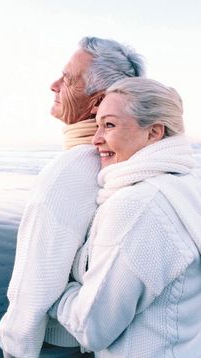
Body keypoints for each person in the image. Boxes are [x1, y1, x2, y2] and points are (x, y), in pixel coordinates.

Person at [0, 37, 145, 358]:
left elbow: (31, 291)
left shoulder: (72, 170)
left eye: (67, 79)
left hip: (57, 345)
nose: (53, 85)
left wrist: (14, 351)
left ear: (98, 102)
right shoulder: (129, 162)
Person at [49, 77, 201, 357]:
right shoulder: (188, 185)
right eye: (97, 126)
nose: (95, 139)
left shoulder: (136, 207)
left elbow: (91, 327)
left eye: (109, 125)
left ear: (154, 132)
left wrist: (52, 288)